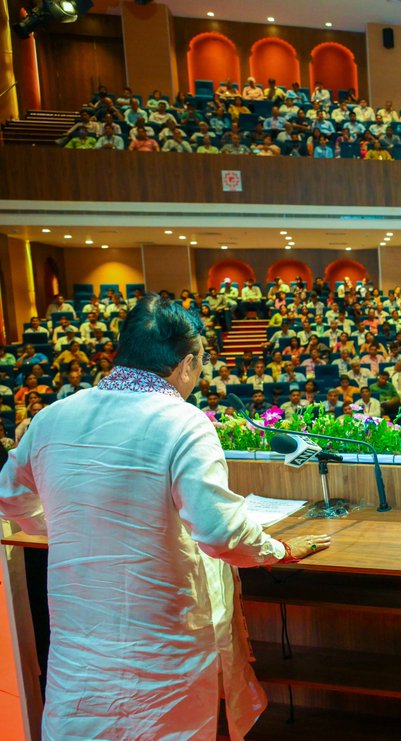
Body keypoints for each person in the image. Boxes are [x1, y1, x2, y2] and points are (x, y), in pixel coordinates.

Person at [0, 296, 332, 739]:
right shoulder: (184, 423)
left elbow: (10, 499)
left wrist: (68, 524)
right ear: (188, 363)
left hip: (80, 643)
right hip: (160, 646)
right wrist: (281, 549)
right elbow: (220, 533)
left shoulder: (52, 418)